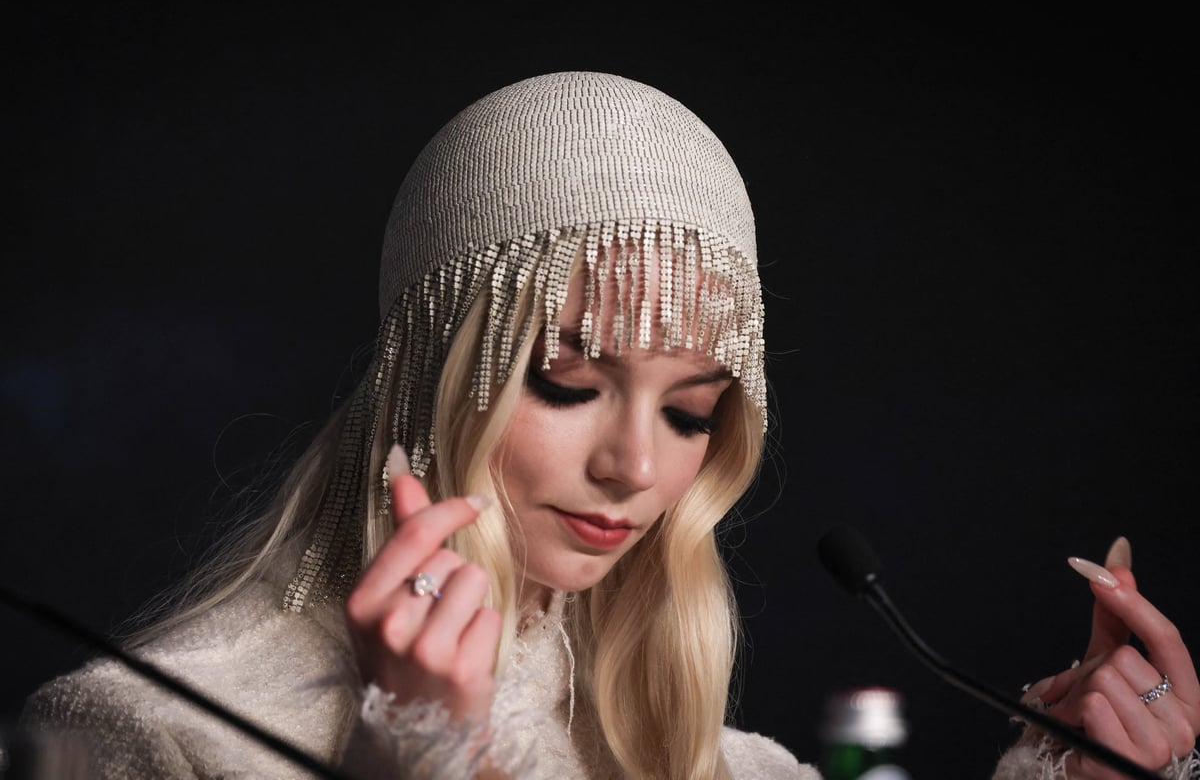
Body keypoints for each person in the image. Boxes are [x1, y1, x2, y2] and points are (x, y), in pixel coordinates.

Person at [20, 72, 1199, 779]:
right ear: (436, 372)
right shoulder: (144, 733)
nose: (639, 468)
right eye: (568, 384)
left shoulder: (710, 760)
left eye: (694, 410)